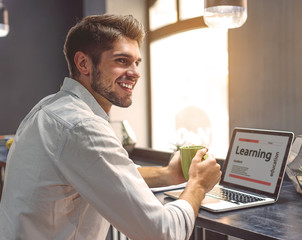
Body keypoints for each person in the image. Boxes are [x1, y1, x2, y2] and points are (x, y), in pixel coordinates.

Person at [0, 14, 221, 240]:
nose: (135, 73)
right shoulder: (81, 126)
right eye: (122, 61)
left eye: (136, 62)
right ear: (83, 63)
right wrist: (198, 185)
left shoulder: (49, 108)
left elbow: (104, 172)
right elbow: (164, 232)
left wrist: (166, 175)